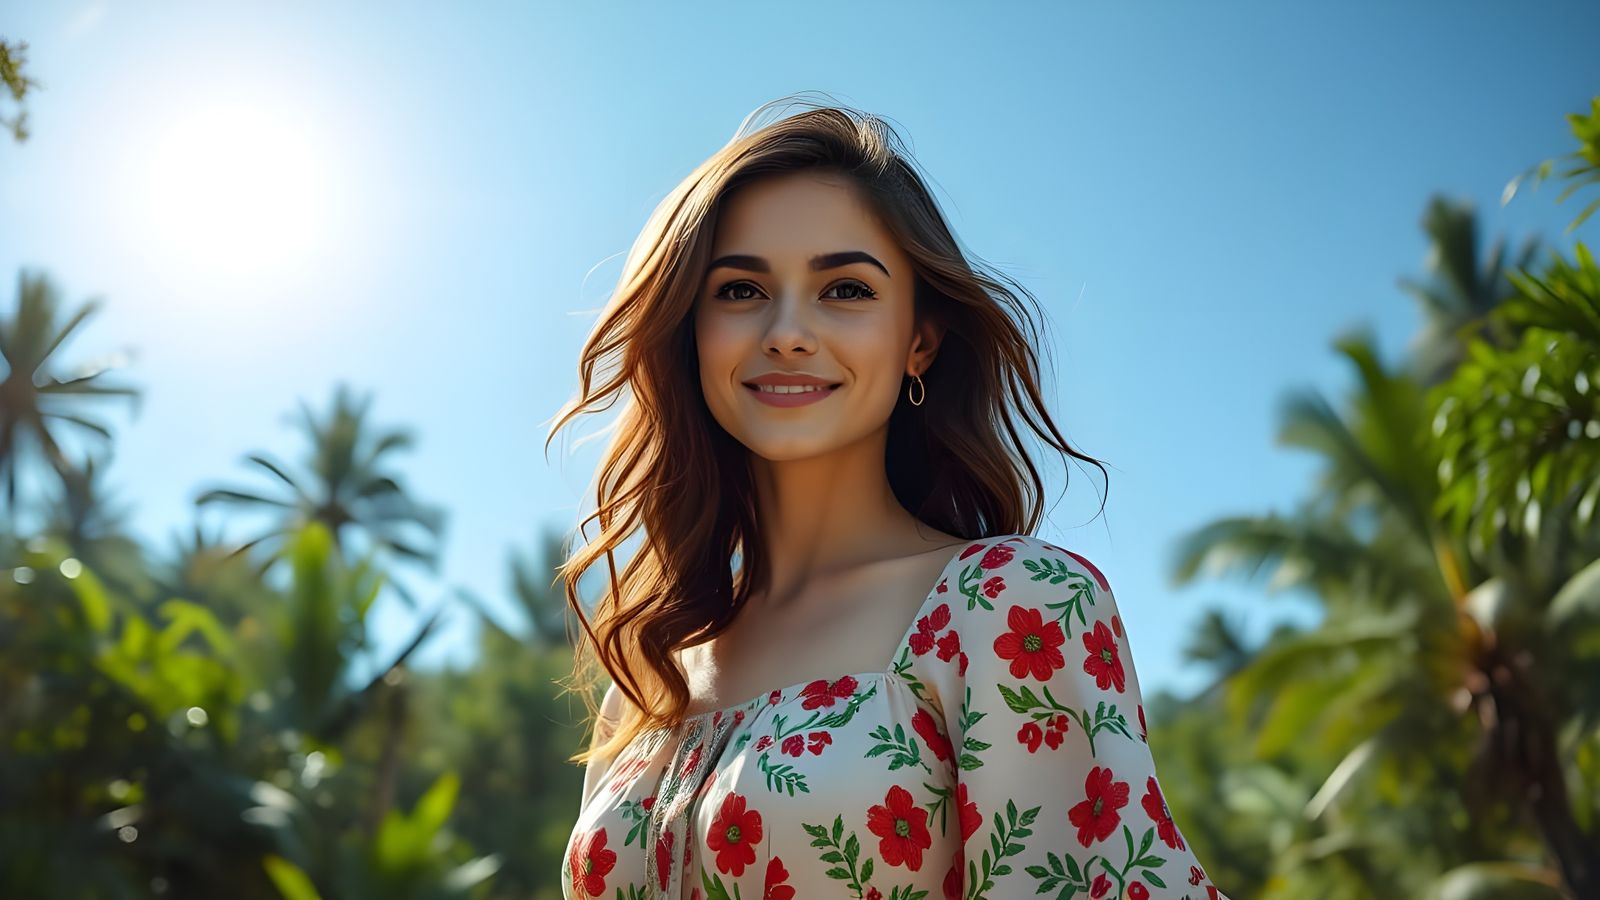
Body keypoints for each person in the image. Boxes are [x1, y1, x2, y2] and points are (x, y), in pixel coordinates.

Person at [546, 95, 1228, 900]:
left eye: (845, 290)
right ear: (690, 333)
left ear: (920, 340)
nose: (788, 331)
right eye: (738, 291)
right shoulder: (652, 678)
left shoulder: (1014, 606)